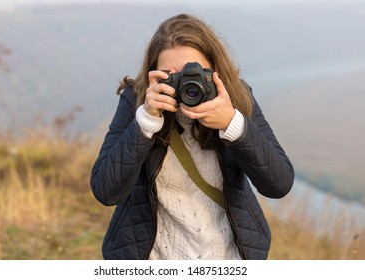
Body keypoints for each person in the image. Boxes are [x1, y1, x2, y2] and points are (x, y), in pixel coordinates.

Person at [90, 13, 294, 260]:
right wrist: (145, 122)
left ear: (215, 68)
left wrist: (232, 124)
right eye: (170, 75)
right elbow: (106, 191)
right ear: (154, 73)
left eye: (193, 71)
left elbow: (279, 184)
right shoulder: (137, 100)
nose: (186, 84)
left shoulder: (237, 97)